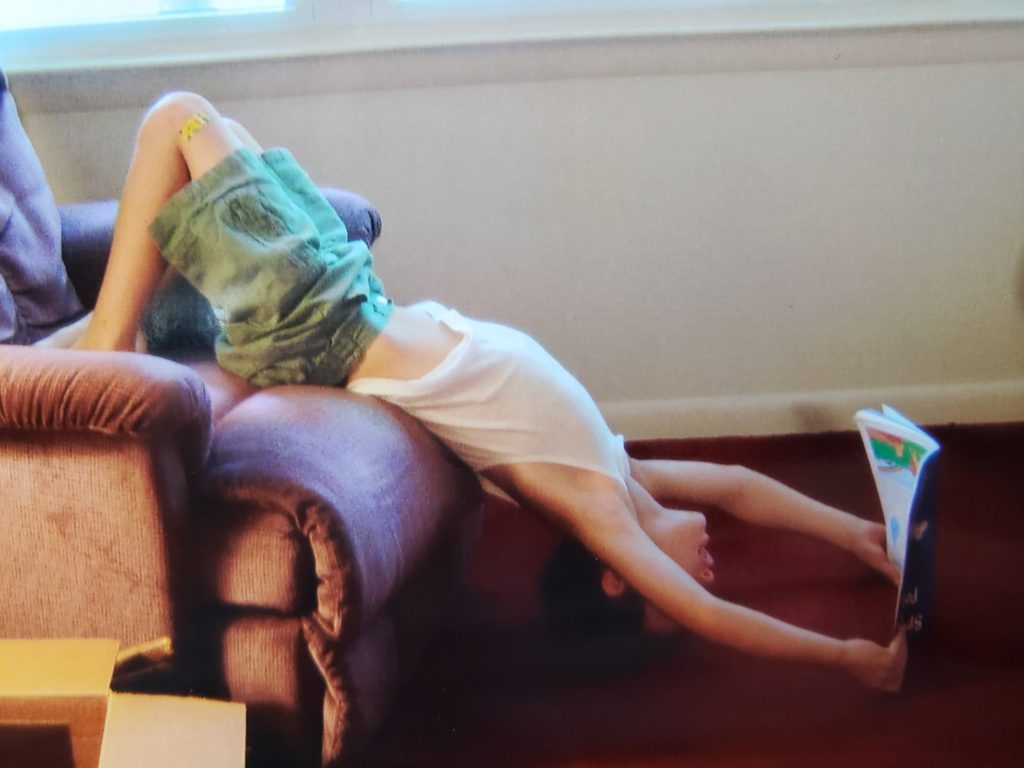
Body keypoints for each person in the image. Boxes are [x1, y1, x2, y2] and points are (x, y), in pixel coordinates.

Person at [40, 91, 907, 691]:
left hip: (318, 321)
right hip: (346, 295)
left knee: (175, 119)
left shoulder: (594, 511)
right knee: (212, 129)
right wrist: (862, 537)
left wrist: (849, 660)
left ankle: (102, 345)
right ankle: (101, 337)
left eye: (663, 606)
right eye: (678, 602)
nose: (705, 577)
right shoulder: (620, 477)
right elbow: (742, 488)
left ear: (619, 581)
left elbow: (715, 617)